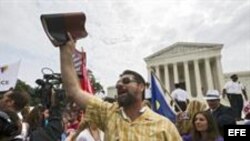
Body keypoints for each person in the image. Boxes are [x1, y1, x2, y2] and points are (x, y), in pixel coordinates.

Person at [58, 33, 182, 141]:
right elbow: (74, 91)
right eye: (118, 83)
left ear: (141, 87)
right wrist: (66, 51)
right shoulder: (109, 114)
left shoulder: (165, 126)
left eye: (126, 81)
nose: (119, 85)